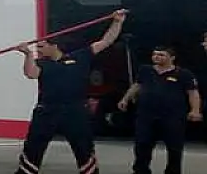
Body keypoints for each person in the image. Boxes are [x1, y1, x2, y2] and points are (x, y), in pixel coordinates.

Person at [13, 9, 128, 174]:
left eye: (41, 46)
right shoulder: (42, 63)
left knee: (84, 147)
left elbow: (106, 41)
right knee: (33, 146)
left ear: (54, 46)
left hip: (76, 110)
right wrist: (28, 54)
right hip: (47, 110)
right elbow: (31, 74)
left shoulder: (81, 56)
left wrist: (117, 22)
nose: (39, 50)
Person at [118, 45, 202, 174]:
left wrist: (195, 110)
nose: (156, 57)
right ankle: (141, 171)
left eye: (161, 55)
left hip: (173, 116)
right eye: (154, 54)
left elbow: (193, 93)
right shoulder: (145, 70)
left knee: (174, 148)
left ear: (172, 58)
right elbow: (137, 85)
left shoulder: (183, 73)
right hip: (146, 115)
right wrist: (125, 99)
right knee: (142, 144)